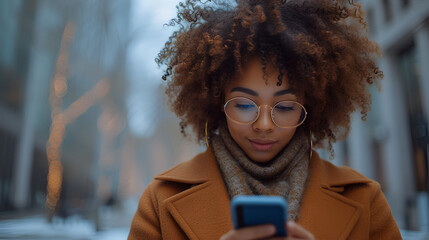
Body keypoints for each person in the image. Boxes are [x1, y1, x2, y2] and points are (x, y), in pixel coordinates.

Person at [128, 0, 402, 239]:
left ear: (311, 105)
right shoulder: (160, 200)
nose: (264, 125)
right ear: (216, 101)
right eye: (245, 104)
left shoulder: (366, 200)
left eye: (284, 107)